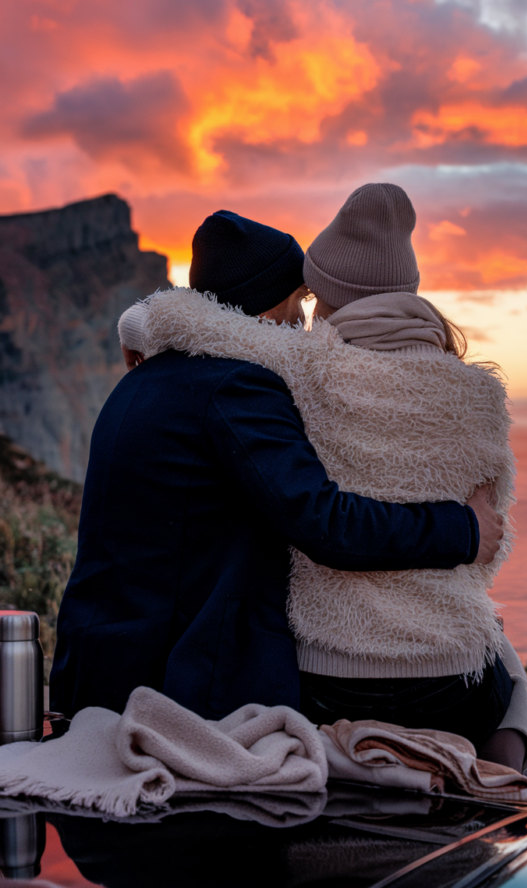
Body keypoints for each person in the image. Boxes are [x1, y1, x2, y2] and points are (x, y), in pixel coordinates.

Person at [50, 209, 501, 722]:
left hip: (99, 667)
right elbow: (325, 523)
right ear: (270, 304)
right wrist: (463, 529)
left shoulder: (146, 377)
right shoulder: (237, 388)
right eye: (300, 299)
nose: (307, 320)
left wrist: (141, 322)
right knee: (496, 681)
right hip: (175, 686)